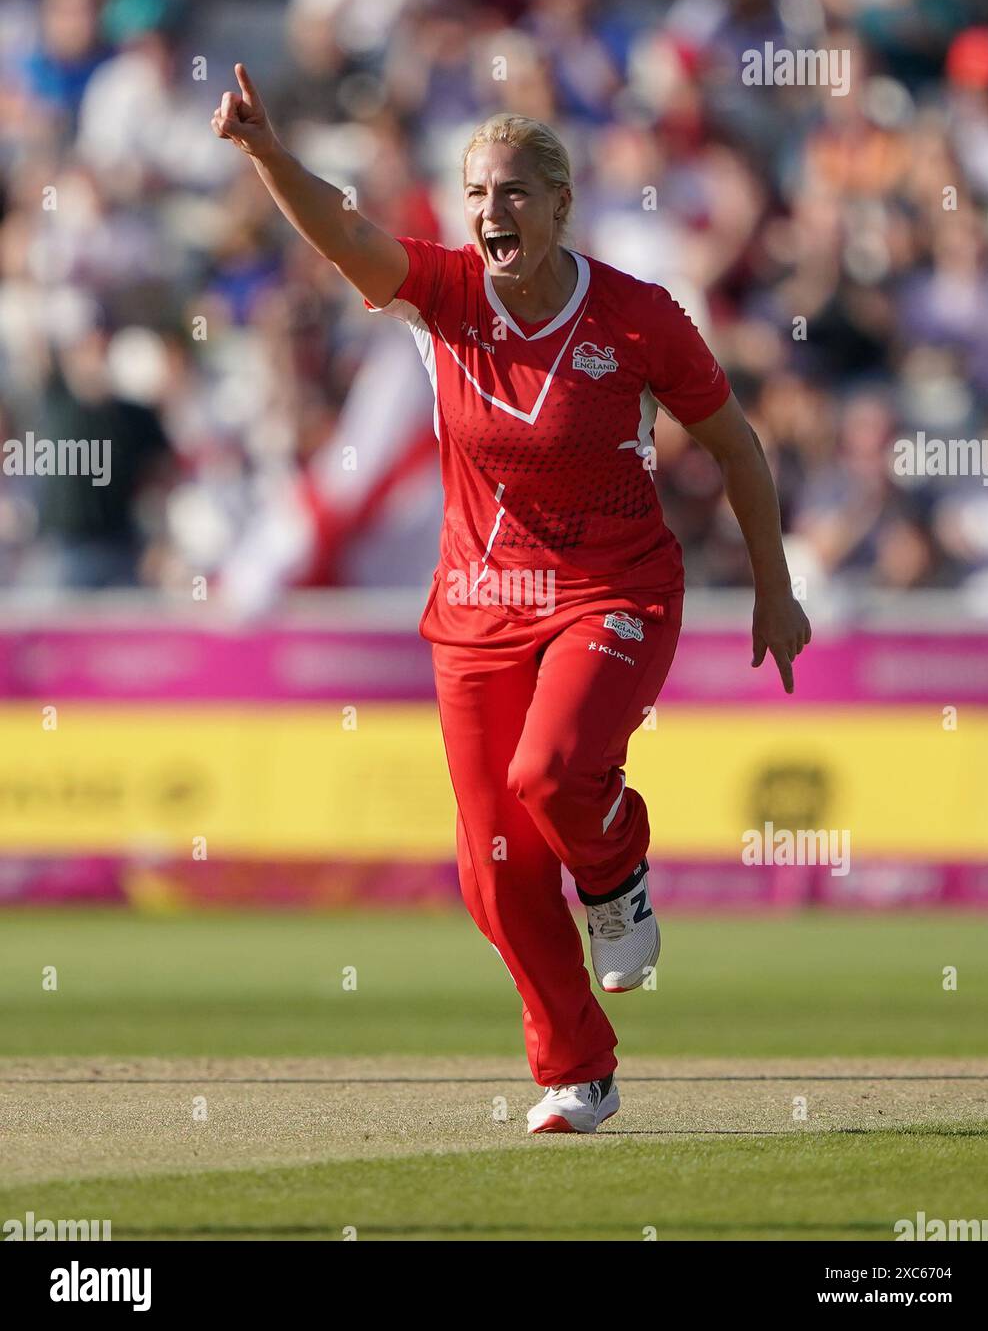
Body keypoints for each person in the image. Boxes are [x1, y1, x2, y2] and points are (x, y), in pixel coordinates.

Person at [211, 65, 811, 1134]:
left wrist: (775, 589)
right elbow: (343, 233)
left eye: (514, 193)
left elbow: (736, 445)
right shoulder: (443, 295)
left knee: (550, 771)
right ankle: (577, 1069)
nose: (493, 212)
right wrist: (265, 151)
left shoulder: (636, 317)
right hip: (477, 611)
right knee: (491, 872)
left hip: (612, 592)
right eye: (478, 195)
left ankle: (618, 869)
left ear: (559, 206)